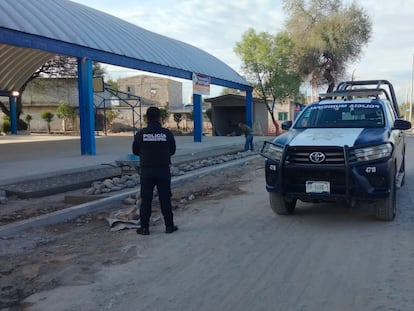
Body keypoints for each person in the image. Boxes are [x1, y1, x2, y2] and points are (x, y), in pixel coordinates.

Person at [132, 106, 178, 235]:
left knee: (146, 199)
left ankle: (144, 228)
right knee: (165, 198)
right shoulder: (166, 133)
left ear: (146, 119)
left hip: (147, 171)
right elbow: (172, 151)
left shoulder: (141, 134)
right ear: (160, 118)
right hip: (163, 170)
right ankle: (169, 226)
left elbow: (135, 151)